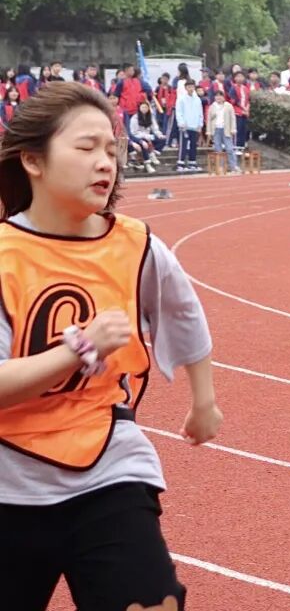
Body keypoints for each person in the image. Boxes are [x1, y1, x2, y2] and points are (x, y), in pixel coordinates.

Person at [0, 82, 222, 611]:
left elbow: (184, 312)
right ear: (33, 160)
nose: (105, 163)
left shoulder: (136, 245)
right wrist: (78, 349)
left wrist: (204, 400)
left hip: (108, 465)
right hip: (9, 479)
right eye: (86, 147)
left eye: (111, 149)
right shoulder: (5, 256)